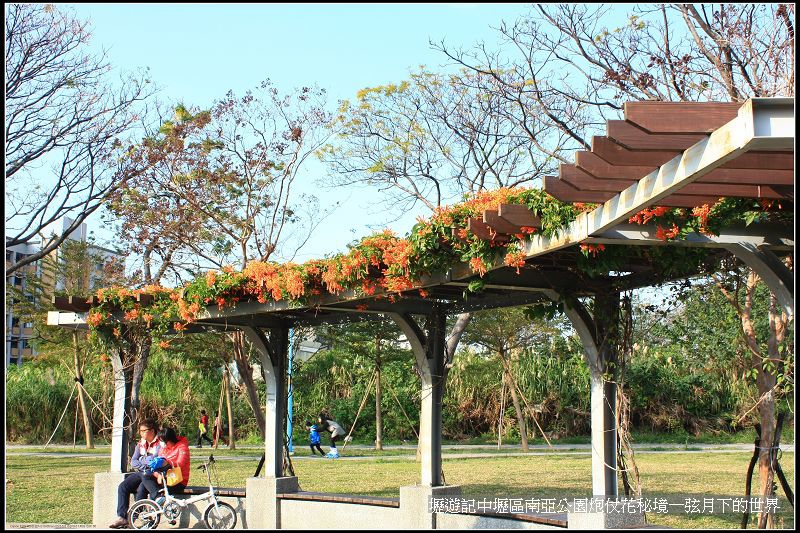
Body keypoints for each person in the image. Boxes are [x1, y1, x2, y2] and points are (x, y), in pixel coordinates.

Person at [108, 418, 163, 529]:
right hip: (142, 472)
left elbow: (156, 460)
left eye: (144, 431)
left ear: (152, 431)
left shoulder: (160, 443)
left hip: (154, 474)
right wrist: (145, 463)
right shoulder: (141, 443)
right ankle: (122, 517)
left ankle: (133, 520)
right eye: (140, 431)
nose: (141, 433)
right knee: (123, 486)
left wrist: (143, 460)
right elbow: (133, 461)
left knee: (142, 488)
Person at [140, 427, 190, 500]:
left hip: (178, 479)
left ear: (169, 439)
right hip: (164, 477)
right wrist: (158, 474)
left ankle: (158, 500)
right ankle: (139, 509)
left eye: (163, 441)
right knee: (143, 484)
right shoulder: (163, 449)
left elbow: (181, 463)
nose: (162, 443)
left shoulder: (182, 447)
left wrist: (167, 463)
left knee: (151, 486)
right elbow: (157, 465)